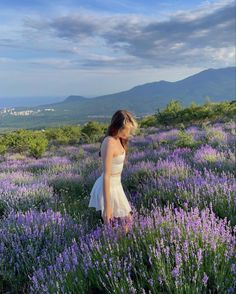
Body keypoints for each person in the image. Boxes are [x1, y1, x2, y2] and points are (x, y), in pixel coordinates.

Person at [88, 109, 138, 233]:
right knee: (112, 223)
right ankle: (111, 248)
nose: (129, 132)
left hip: (116, 185)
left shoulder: (120, 140)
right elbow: (106, 175)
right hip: (108, 187)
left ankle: (118, 246)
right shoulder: (109, 141)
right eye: (127, 129)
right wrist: (107, 206)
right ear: (118, 127)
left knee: (126, 223)